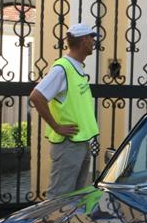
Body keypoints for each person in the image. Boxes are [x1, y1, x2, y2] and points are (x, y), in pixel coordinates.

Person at [29, 22, 101, 198]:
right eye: (92, 38)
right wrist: (56, 126)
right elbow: (36, 96)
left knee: (75, 197)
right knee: (59, 197)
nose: (94, 42)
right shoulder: (62, 69)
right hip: (68, 145)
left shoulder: (76, 68)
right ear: (84, 40)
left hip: (80, 142)